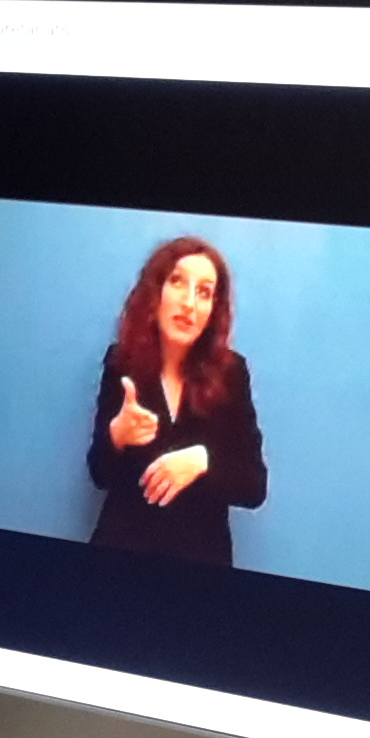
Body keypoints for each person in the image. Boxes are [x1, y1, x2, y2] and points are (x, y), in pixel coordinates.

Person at [87, 235, 268, 565]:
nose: (189, 303)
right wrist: (117, 435)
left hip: (199, 567)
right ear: (155, 295)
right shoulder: (121, 363)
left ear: (213, 311)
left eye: (204, 293)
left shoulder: (231, 374)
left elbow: (254, 486)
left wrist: (203, 462)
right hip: (120, 558)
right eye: (178, 283)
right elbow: (99, 473)